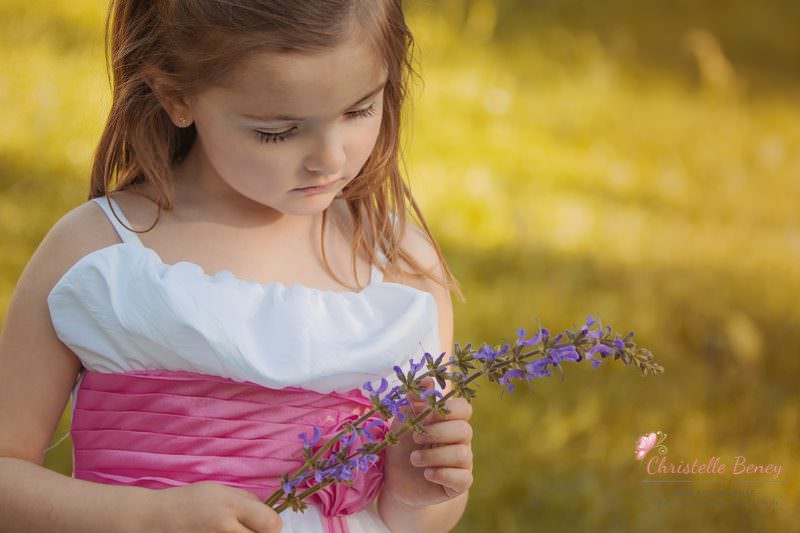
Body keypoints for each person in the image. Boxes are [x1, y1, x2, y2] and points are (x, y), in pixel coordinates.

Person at [0, 1, 474, 532]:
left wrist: (414, 496)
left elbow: (418, 518)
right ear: (175, 95)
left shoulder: (399, 269)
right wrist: (146, 519)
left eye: (360, 110)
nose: (330, 159)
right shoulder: (98, 254)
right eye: (278, 130)